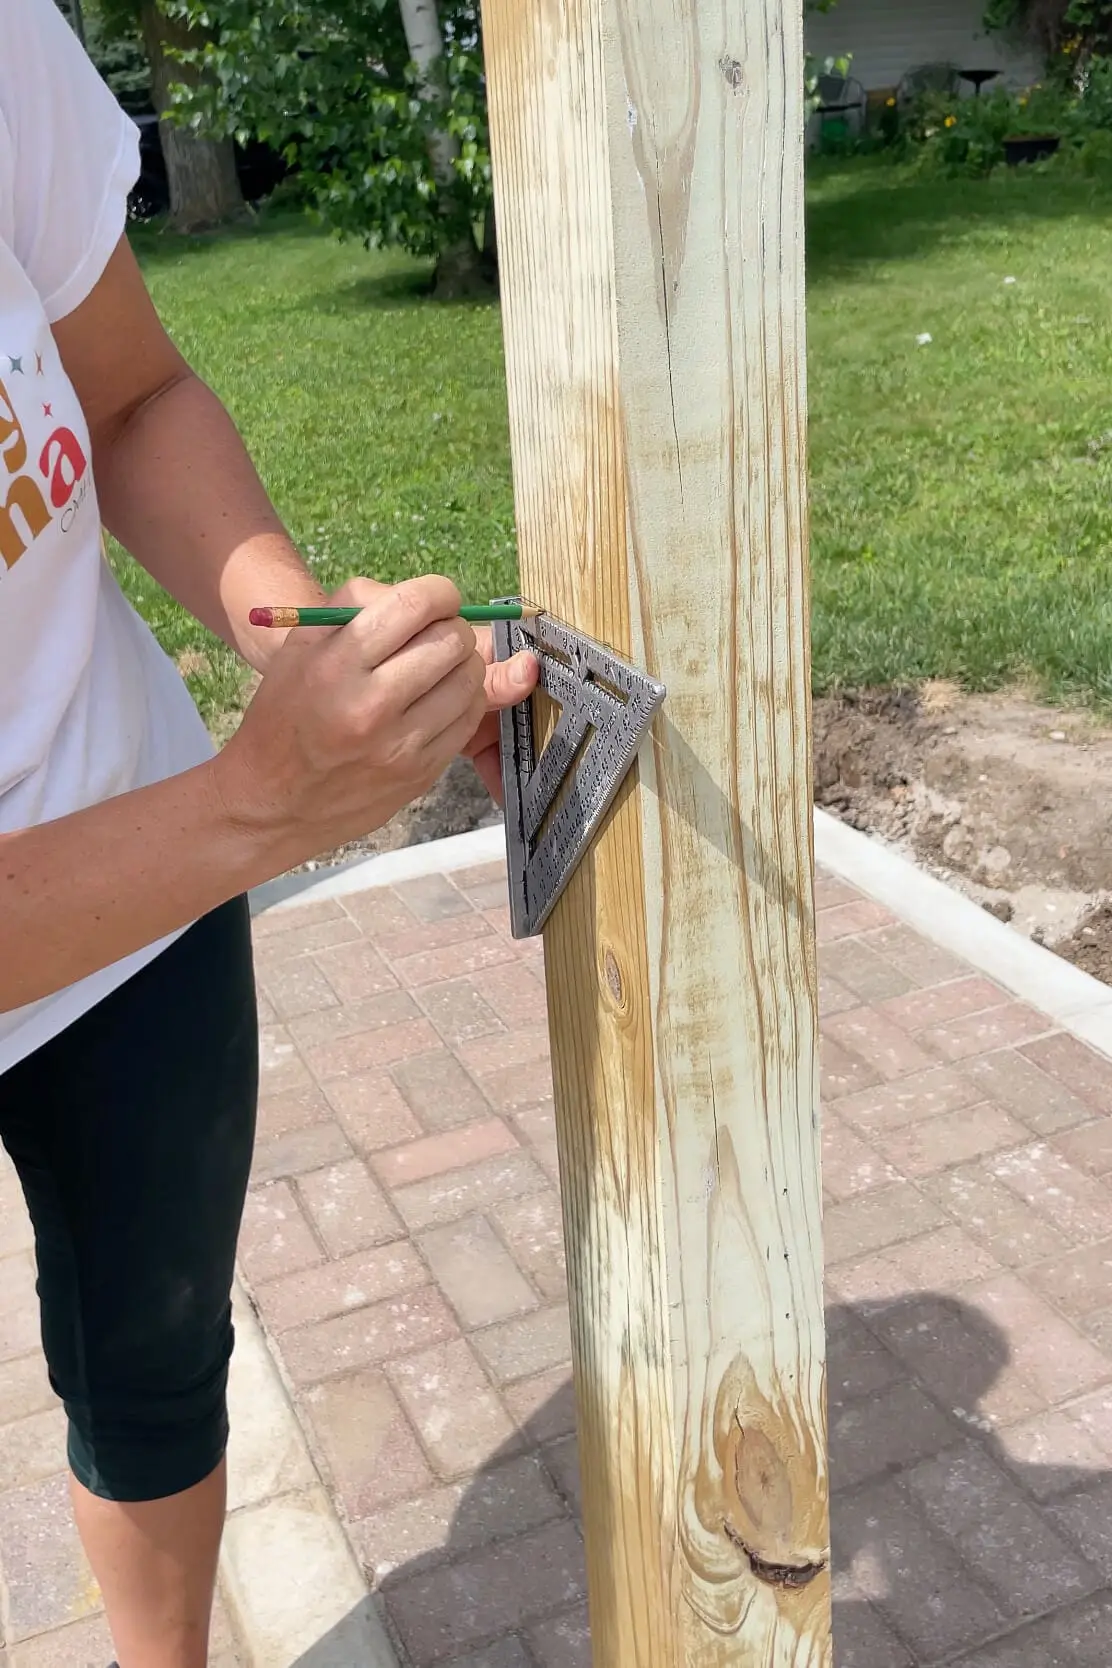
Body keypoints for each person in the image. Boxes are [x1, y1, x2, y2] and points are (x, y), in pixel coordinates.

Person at [0, 3, 539, 1665]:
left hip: (129, 847)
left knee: (153, 1357)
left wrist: (286, 626)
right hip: (182, 829)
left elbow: (136, 393)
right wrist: (253, 807)